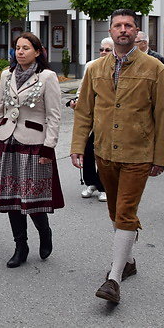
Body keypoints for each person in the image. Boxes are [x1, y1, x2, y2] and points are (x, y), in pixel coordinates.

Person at [70, 9, 164, 305]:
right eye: (117, 26)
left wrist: (160, 157)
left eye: (128, 25)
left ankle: (113, 279)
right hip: (104, 152)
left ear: (136, 31)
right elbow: (85, 111)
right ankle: (127, 260)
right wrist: (77, 147)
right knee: (115, 211)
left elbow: (163, 116)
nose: (123, 30)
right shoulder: (96, 68)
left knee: (125, 212)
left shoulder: (154, 68)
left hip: (138, 153)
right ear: (111, 31)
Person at [0, 32, 63, 268]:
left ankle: (44, 231)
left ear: (38, 52)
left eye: (26, 48)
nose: (20, 52)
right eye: (17, 48)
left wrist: (48, 147)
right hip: (7, 141)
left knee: (31, 198)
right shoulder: (6, 75)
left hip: (33, 143)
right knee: (11, 198)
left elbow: (54, 115)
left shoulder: (47, 77)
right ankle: (21, 246)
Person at [69, 37, 115, 203]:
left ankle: (103, 186)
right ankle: (91, 183)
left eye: (107, 50)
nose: (103, 53)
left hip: (109, 119)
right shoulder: (91, 66)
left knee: (103, 153)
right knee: (88, 150)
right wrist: (76, 101)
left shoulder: (117, 67)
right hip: (93, 117)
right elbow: (83, 89)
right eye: (101, 49)